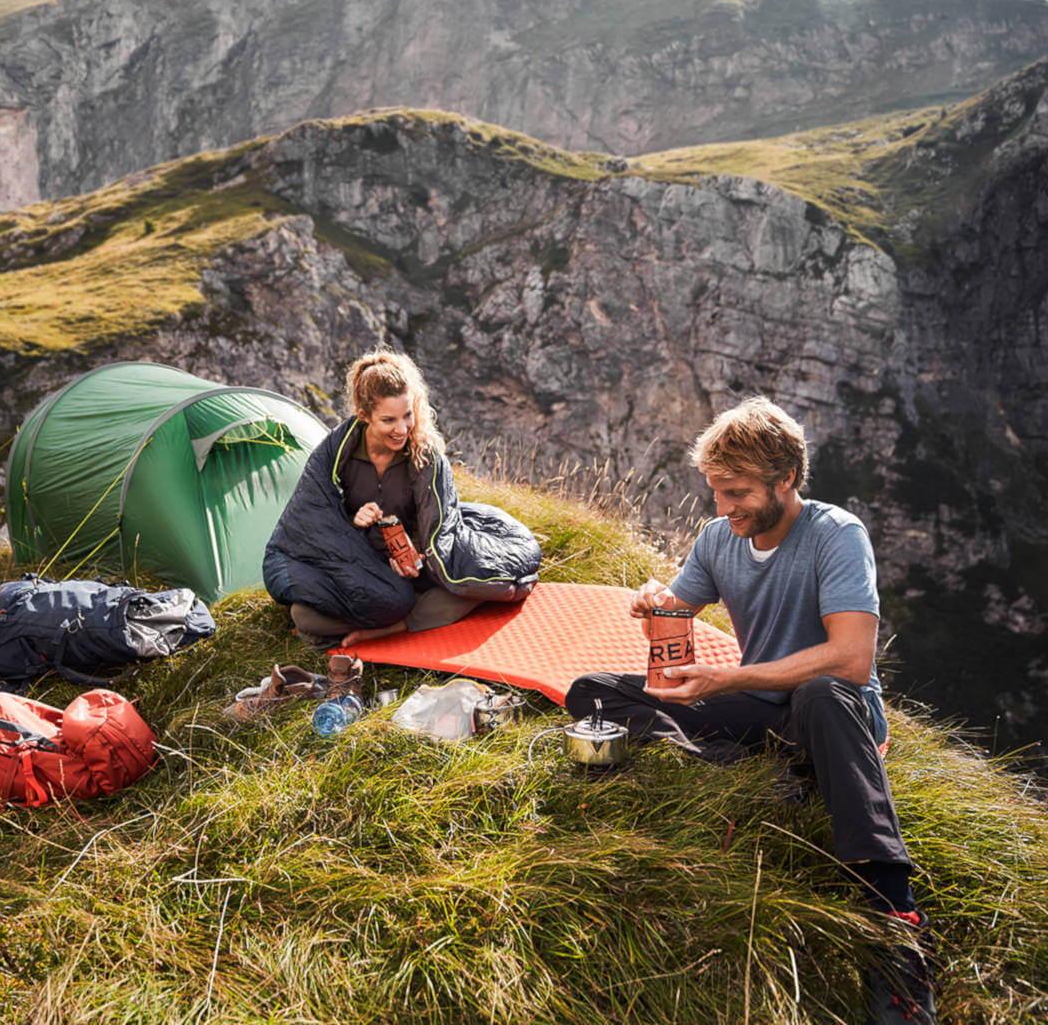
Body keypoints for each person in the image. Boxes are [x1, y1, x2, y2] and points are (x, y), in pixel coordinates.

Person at [564, 397, 934, 1025]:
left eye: (735, 492)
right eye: (714, 491)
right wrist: (656, 605)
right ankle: (762, 773)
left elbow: (850, 660)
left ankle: (895, 917)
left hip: (832, 715)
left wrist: (726, 678)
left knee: (820, 693)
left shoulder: (837, 535)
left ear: (785, 479)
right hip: (760, 713)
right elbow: (674, 624)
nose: (721, 507)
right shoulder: (719, 537)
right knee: (593, 691)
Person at [262, 351, 538, 648]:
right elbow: (318, 521)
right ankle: (410, 612)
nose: (403, 428)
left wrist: (417, 555)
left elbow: (441, 529)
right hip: (363, 559)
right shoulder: (340, 454)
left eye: (408, 415)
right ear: (364, 416)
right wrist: (355, 523)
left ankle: (395, 626)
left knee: (470, 585)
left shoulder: (424, 455)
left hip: (416, 561)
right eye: (388, 420)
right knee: (305, 616)